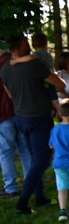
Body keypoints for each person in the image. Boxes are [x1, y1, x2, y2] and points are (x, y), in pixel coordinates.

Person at [1, 33, 66, 215]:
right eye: (26, 43)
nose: (29, 45)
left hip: (21, 117)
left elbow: (10, 95)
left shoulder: (5, 69)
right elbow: (60, 84)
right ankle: (23, 200)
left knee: (33, 156)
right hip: (38, 117)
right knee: (42, 158)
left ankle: (40, 196)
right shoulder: (34, 65)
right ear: (21, 44)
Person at [0, 42, 32, 197]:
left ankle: (11, 187)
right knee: (24, 148)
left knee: (5, 152)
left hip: (2, 115)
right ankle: (31, 182)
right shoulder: (13, 63)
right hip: (19, 110)